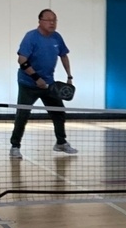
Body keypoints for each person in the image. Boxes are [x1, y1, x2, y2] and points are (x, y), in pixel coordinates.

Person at [10, 9, 77, 158]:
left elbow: (64, 55)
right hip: (28, 84)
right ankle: (15, 146)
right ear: (40, 21)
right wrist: (36, 79)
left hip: (49, 84)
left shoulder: (57, 38)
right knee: (23, 114)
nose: (52, 23)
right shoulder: (31, 37)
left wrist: (69, 76)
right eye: (48, 20)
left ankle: (61, 142)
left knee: (59, 112)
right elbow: (22, 60)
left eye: (54, 20)